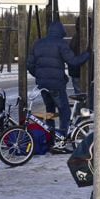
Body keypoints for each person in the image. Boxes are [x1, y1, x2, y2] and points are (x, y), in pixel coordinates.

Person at [27, 21, 90, 150]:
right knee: (64, 111)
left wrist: (39, 76)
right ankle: (61, 139)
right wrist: (87, 54)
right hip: (56, 84)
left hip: (42, 85)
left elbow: (30, 64)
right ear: (61, 31)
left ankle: (50, 139)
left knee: (50, 111)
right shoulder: (61, 44)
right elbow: (73, 61)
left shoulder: (38, 43)